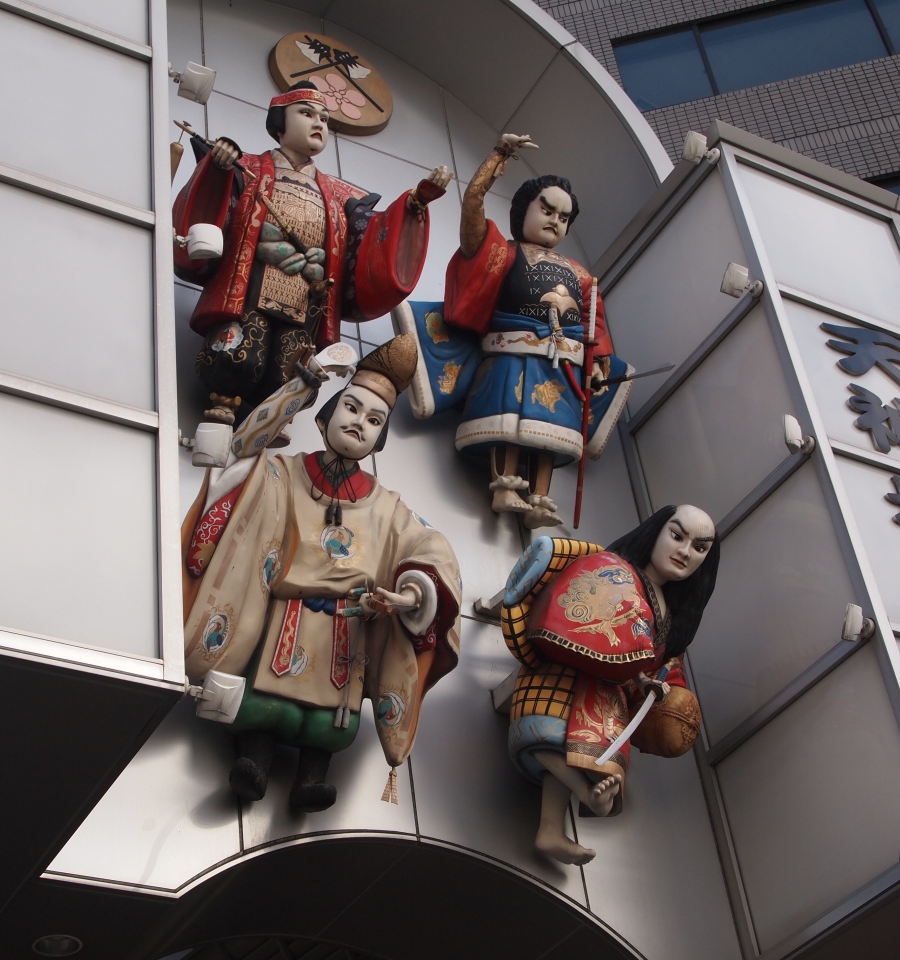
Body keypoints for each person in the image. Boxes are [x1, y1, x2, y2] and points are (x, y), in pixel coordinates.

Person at [180, 334, 461, 812]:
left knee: (332, 720)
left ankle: (312, 778)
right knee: (264, 699)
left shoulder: (388, 508)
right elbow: (243, 447)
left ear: (379, 440)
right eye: (351, 408)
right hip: (282, 613)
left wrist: (416, 590)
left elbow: (428, 545)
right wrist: (304, 383)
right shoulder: (282, 473)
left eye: (374, 420)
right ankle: (254, 761)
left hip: (345, 628)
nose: (359, 423)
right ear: (325, 416)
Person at [173, 81, 452, 430]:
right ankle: (224, 405)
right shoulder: (248, 169)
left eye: (324, 118)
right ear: (279, 123)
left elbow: (374, 235)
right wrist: (219, 167)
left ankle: (273, 422)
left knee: (290, 370)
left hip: (306, 299)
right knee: (240, 355)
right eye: (306, 114)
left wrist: (415, 203)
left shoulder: (339, 195)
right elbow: (213, 208)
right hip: (251, 289)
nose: (319, 123)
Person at [397, 134, 631, 528]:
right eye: (547, 210)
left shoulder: (582, 275)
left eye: (564, 217)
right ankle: (504, 487)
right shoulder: (501, 252)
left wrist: (597, 363)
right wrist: (499, 155)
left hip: (562, 365)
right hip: (510, 353)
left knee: (549, 432)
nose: (555, 221)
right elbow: (473, 204)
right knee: (507, 423)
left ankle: (540, 499)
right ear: (524, 210)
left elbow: (596, 324)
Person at [499, 505, 719, 864]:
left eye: (699, 548)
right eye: (677, 536)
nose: (684, 551)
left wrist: (652, 686)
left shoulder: (672, 617)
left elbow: (656, 665)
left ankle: (551, 828)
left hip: (605, 697)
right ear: (655, 532)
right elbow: (582, 618)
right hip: (564, 670)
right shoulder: (613, 570)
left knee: (592, 752)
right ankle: (584, 796)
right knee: (550, 732)